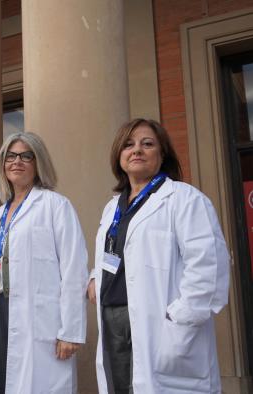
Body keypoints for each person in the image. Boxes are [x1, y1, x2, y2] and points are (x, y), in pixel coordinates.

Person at [86, 118, 230, 393]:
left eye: (147, 144)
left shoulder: (185, 199)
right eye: (128, 145)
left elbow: (208, 270)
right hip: (114, 321)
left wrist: (179, 322)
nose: (136, 150)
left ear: (162, 154)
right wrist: (96, 276)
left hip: (162, 325)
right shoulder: (112, 208)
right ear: (119, 155)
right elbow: (117, 253)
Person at [0, 132, 88, 394]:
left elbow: (74, 269)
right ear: (2, 165)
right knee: (2, 383)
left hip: (38, 319)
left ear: (39, 164)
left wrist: (70, 330)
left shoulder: (56, 206)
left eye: (27, 156)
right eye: (10, 156)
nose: (17, 162)